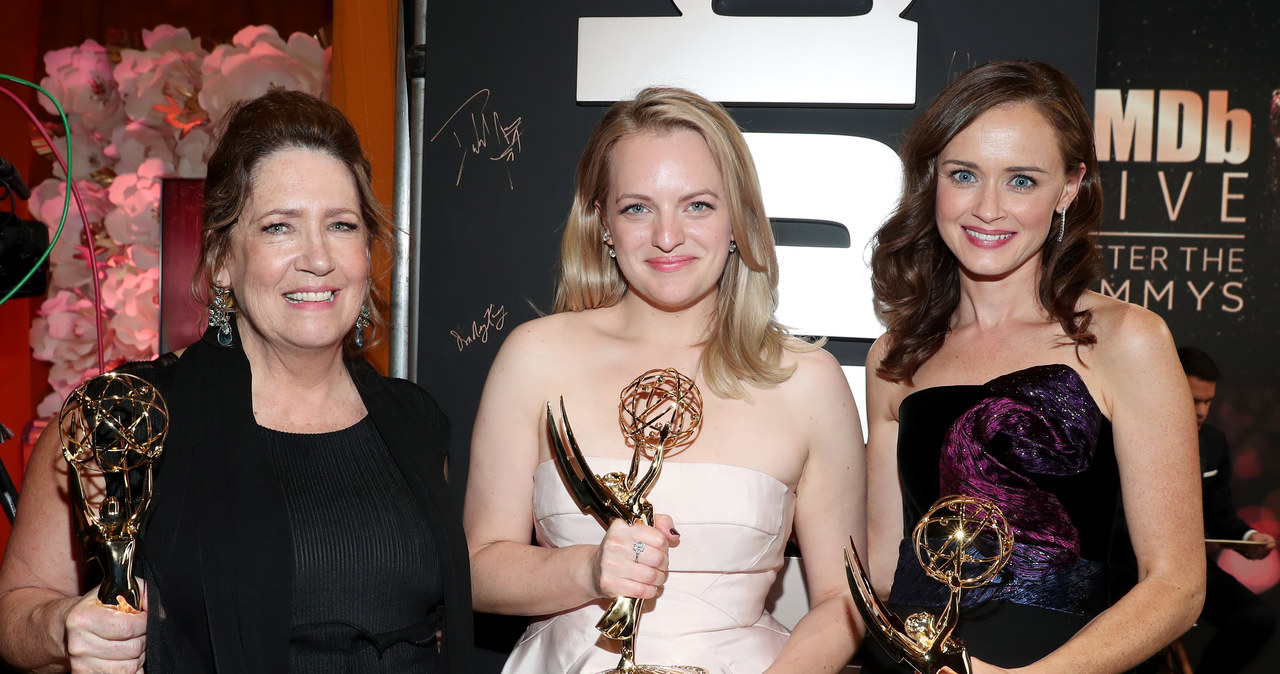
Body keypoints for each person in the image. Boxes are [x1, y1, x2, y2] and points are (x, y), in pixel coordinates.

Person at [0, 89, 472, 672]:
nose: (317, 258)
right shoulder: (125, 416)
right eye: (279, 227)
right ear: (223, 257)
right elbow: (17, 612)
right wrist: (61, 625)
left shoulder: (417, 422)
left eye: (342, 225)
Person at [464, 86, 864, 673]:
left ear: (738, 219)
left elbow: (843, 598)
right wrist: (586, 568)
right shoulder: (536, 356)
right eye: (637, 208)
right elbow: (476, 566)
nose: (667, 236)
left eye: (697, 205)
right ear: (602, 221)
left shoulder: (807, 381)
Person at [862, 60, 1204, 673]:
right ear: (930, 180)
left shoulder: (1127, 340)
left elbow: (1176, 587)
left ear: (1070, 187)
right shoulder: (895, 355)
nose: (988, 208)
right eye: (963, 174)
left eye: (1021, 180)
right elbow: (890, 574)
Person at [1177, 345, 1276, 672]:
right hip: (1125, 571)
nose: (1202, 411)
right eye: (1194, 400)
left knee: (1256, 619)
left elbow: (1219, 513)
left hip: (1190, 571)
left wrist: (1249, 537)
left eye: (1208, 402)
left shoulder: (1215, 442)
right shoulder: (1126, 435)